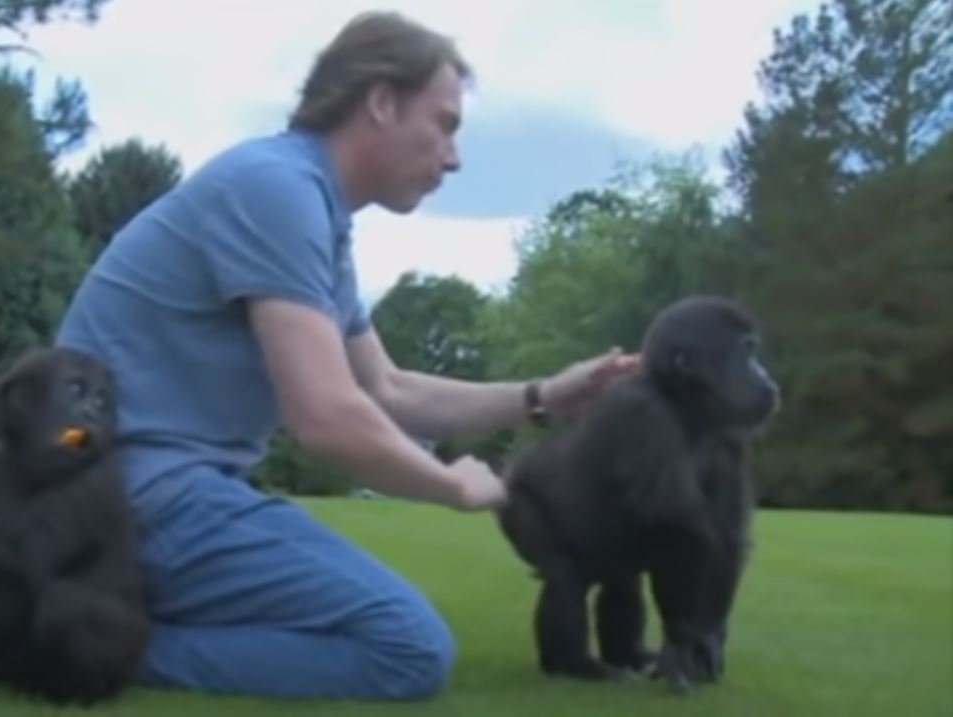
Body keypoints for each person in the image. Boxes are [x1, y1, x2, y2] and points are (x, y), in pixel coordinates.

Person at [54, 10, 640, 701]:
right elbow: (327, 416)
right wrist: (451, 485)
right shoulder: (274, 189)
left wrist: (540, 395)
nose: (452, 157)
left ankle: (79, 621)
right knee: (405, 646)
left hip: (164, 499)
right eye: (445, 124)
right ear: (381, 103)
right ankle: (68, 640)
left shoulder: (313, 214)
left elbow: (385, 388)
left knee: (391, 635)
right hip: (134, 501)